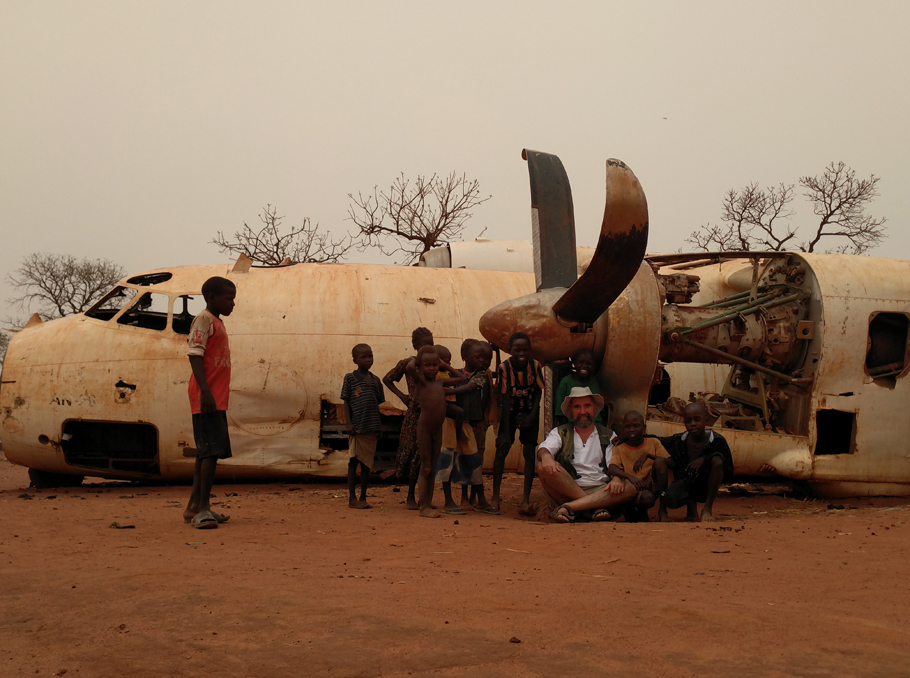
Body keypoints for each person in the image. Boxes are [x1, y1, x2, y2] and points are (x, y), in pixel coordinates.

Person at [536, 387, 637, 523]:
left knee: (632, 485)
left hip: (601, 491)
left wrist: (617, 479)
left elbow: (614, 464)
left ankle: (570, 508)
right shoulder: (560, 432)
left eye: (587, 406)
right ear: (571, 411)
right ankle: (592, 508)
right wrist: (547, 457)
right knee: (543, 466)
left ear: (595, 408)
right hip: (567, 489)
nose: (583, 412)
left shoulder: (608, 435)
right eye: (577, 407)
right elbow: (543, 448)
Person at [183, 276, 237, 529]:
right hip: (207, 398)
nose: (233, 303)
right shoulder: (204, 319)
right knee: (209, 453)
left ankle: (195, 506)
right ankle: (202, 509)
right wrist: (205, 392)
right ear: (212, 298)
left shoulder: (217, 322)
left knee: (207, 452)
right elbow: (195, 354)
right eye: (229, 298)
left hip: (216, 399)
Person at [437, 339, 497, 514]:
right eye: (478, 357)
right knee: (453, 459)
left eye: (485, 358)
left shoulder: (480, 375)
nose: (482, 361)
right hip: (455, 422)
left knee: (473, 460)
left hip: (473, 423)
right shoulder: (455, 373)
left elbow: (468, 387)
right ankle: (462, 499)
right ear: (465, 357)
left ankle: (477, 499)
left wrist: (445, 391)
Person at [406, 346, 464, 518]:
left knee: (433, 467)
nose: (432, 368)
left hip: (437, 429)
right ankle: (423, 506)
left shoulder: (440, 383)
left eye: (434, 365)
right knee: (426, 467)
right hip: (424, 428)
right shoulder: (420, 382)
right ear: (421, 367)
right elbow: (409, 368)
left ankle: (428, 503)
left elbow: (461, 378)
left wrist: (445, 365)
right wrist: (416, 359)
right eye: (427, 365)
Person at [656, 402, 734, 522]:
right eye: (688, 421)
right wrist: (625, 438)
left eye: (697, 419)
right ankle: (688, 509)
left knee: (717, 460)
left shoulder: (717, 441)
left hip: (705, 485)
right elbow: (656, 439)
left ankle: (707, 509)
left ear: (706, 420)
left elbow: (728, 469)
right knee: (669, 499)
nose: (693, 424)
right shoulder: (678, 440)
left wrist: (705, 459)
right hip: (685, 483)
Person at [493, 332, 544, 515]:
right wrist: (506, 430)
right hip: (510, 412)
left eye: (524, 349)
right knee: (502, 448)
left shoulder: (535, 365)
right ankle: (495, 497)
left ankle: (525, 499)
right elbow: (504, 399)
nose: (521, 352)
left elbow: (538, 392)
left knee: (529, 451)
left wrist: (531, 416)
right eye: (517, 349)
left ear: (529, 350)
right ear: (509, 350)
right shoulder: (504, 368)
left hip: (530, 410)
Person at [385, 327, 434, 510]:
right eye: (424, 345)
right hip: (414, 414)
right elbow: (388, 379)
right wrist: (402, 396)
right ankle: (411, 496)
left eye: (431, 344)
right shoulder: (408, 364)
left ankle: (425, 498)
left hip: (431, 414)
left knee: (427, 455)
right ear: (415, 346)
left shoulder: (434, 364)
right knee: (413, 453)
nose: (428, 347)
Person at [341, 343, 385, 509]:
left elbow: (377, 405)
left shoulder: (375, 381)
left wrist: (378, 426)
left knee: (367, 464)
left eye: (370, 356)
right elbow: (346, 401)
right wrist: (349, 423)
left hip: (371, 427)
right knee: (353, 462)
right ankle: (352, 498)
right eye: (364, 357)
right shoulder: (350, 379)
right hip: (357, 428)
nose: (368, 359)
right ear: (355, 360)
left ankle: (363, 497)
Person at [608, 410, 670, 522]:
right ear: (623, 429)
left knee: (660, 462)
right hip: (631, 489)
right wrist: (630, 477)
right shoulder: (619, 448)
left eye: (636, 426)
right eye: (628, 426)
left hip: (650, 487)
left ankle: (662, 509)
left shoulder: (653, 443)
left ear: (644, 427)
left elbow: (671, 463)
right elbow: (612, 468)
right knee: (644, 500)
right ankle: (633, 511)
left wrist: (648, 455)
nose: (632, 429)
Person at [554, 349, 603, 426]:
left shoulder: (594, 381)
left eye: (589, 364)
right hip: (574, 427)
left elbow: (598, 410)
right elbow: (560, 413)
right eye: (581, 362)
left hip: (594, 427)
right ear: (575, 363)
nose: (584, 366)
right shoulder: (566, 382)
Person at [434, 345, 468, 442]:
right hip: (445, 403)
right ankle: (459, 432)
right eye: (446, 362)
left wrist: (446, 366)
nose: (449, 364)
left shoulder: (446, 373)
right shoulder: (436, 374)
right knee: (460, 412)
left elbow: (461, 377)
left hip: (451, 401)